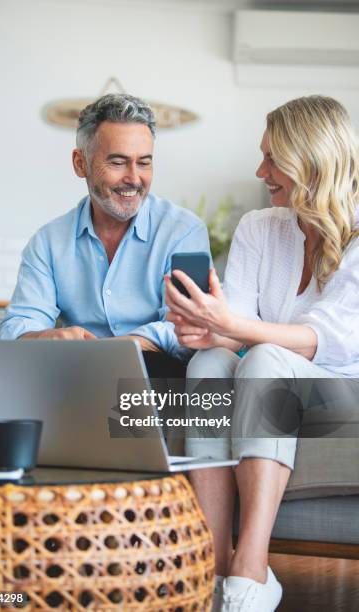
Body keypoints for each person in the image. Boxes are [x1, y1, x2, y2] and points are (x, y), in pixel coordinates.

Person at [165, 95, 359, 611]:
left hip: (339, 388)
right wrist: (208, 333)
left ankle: (251, 564)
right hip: (267, 374)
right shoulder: (259, 226)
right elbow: (237, 332)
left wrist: (232, 327)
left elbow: (326, 340)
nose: (261, 171)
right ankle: (212, 562)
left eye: (273, 159)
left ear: (311, 160)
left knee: (267, 359)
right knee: (209, 364)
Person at [0, 93, 210, 441]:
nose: (134, 178)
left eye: (144, 162)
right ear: (80, 163)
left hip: (149, 369)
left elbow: (187, 332)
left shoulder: (183, 231)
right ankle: (18, 488)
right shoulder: (49, 242)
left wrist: (123, 346)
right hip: (74, 369)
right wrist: (48, 338)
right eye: (118, 162)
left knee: (148, 376)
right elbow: (18, 326)